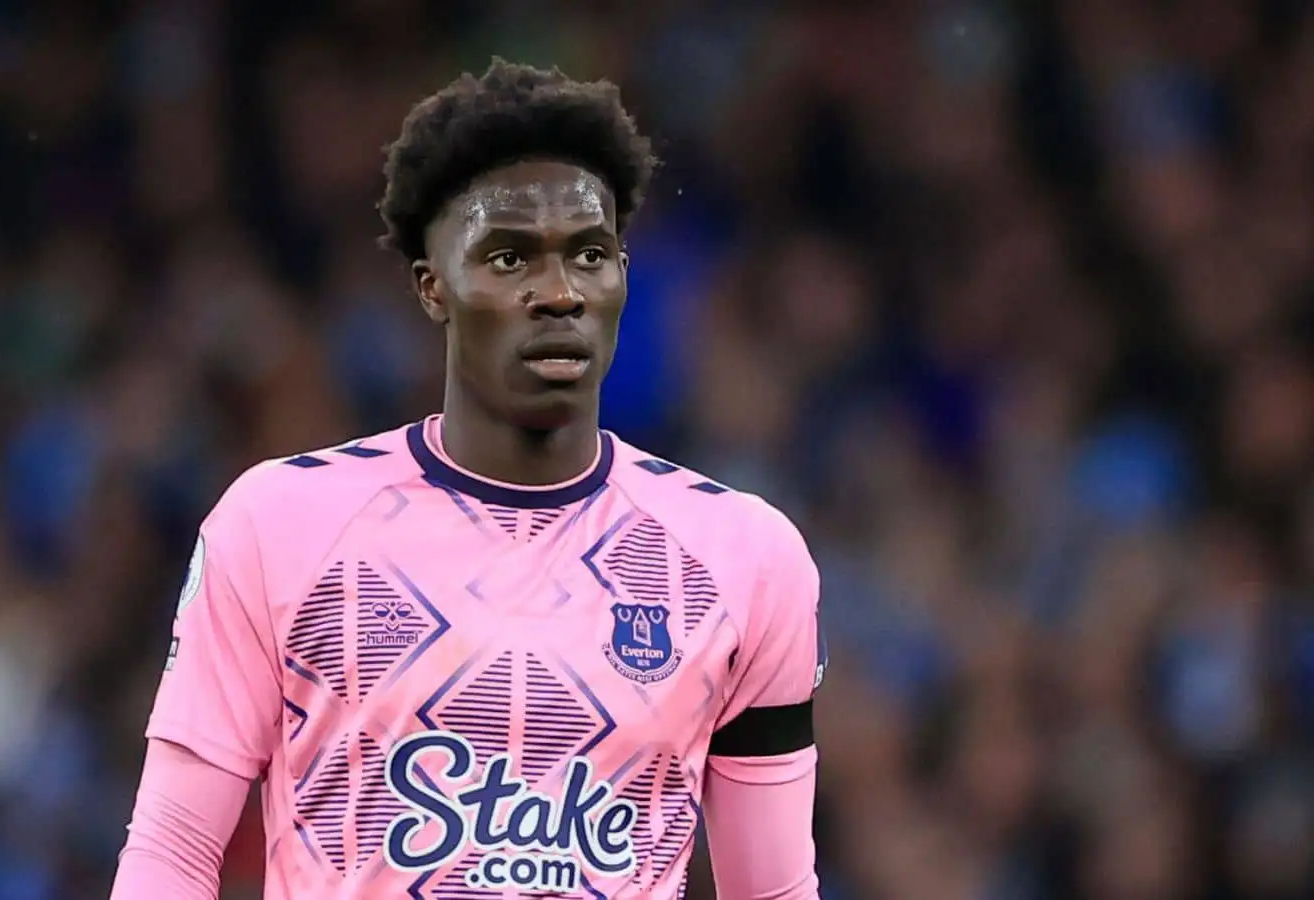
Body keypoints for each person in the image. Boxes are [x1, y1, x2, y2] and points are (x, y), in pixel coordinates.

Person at [109, 58, 824, 900]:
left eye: (589, 254)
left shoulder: (745, 559)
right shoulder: (278, 527)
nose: (559, 292)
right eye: (510, 258)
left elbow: (772, 891)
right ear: (433, 288)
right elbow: (173, 854)